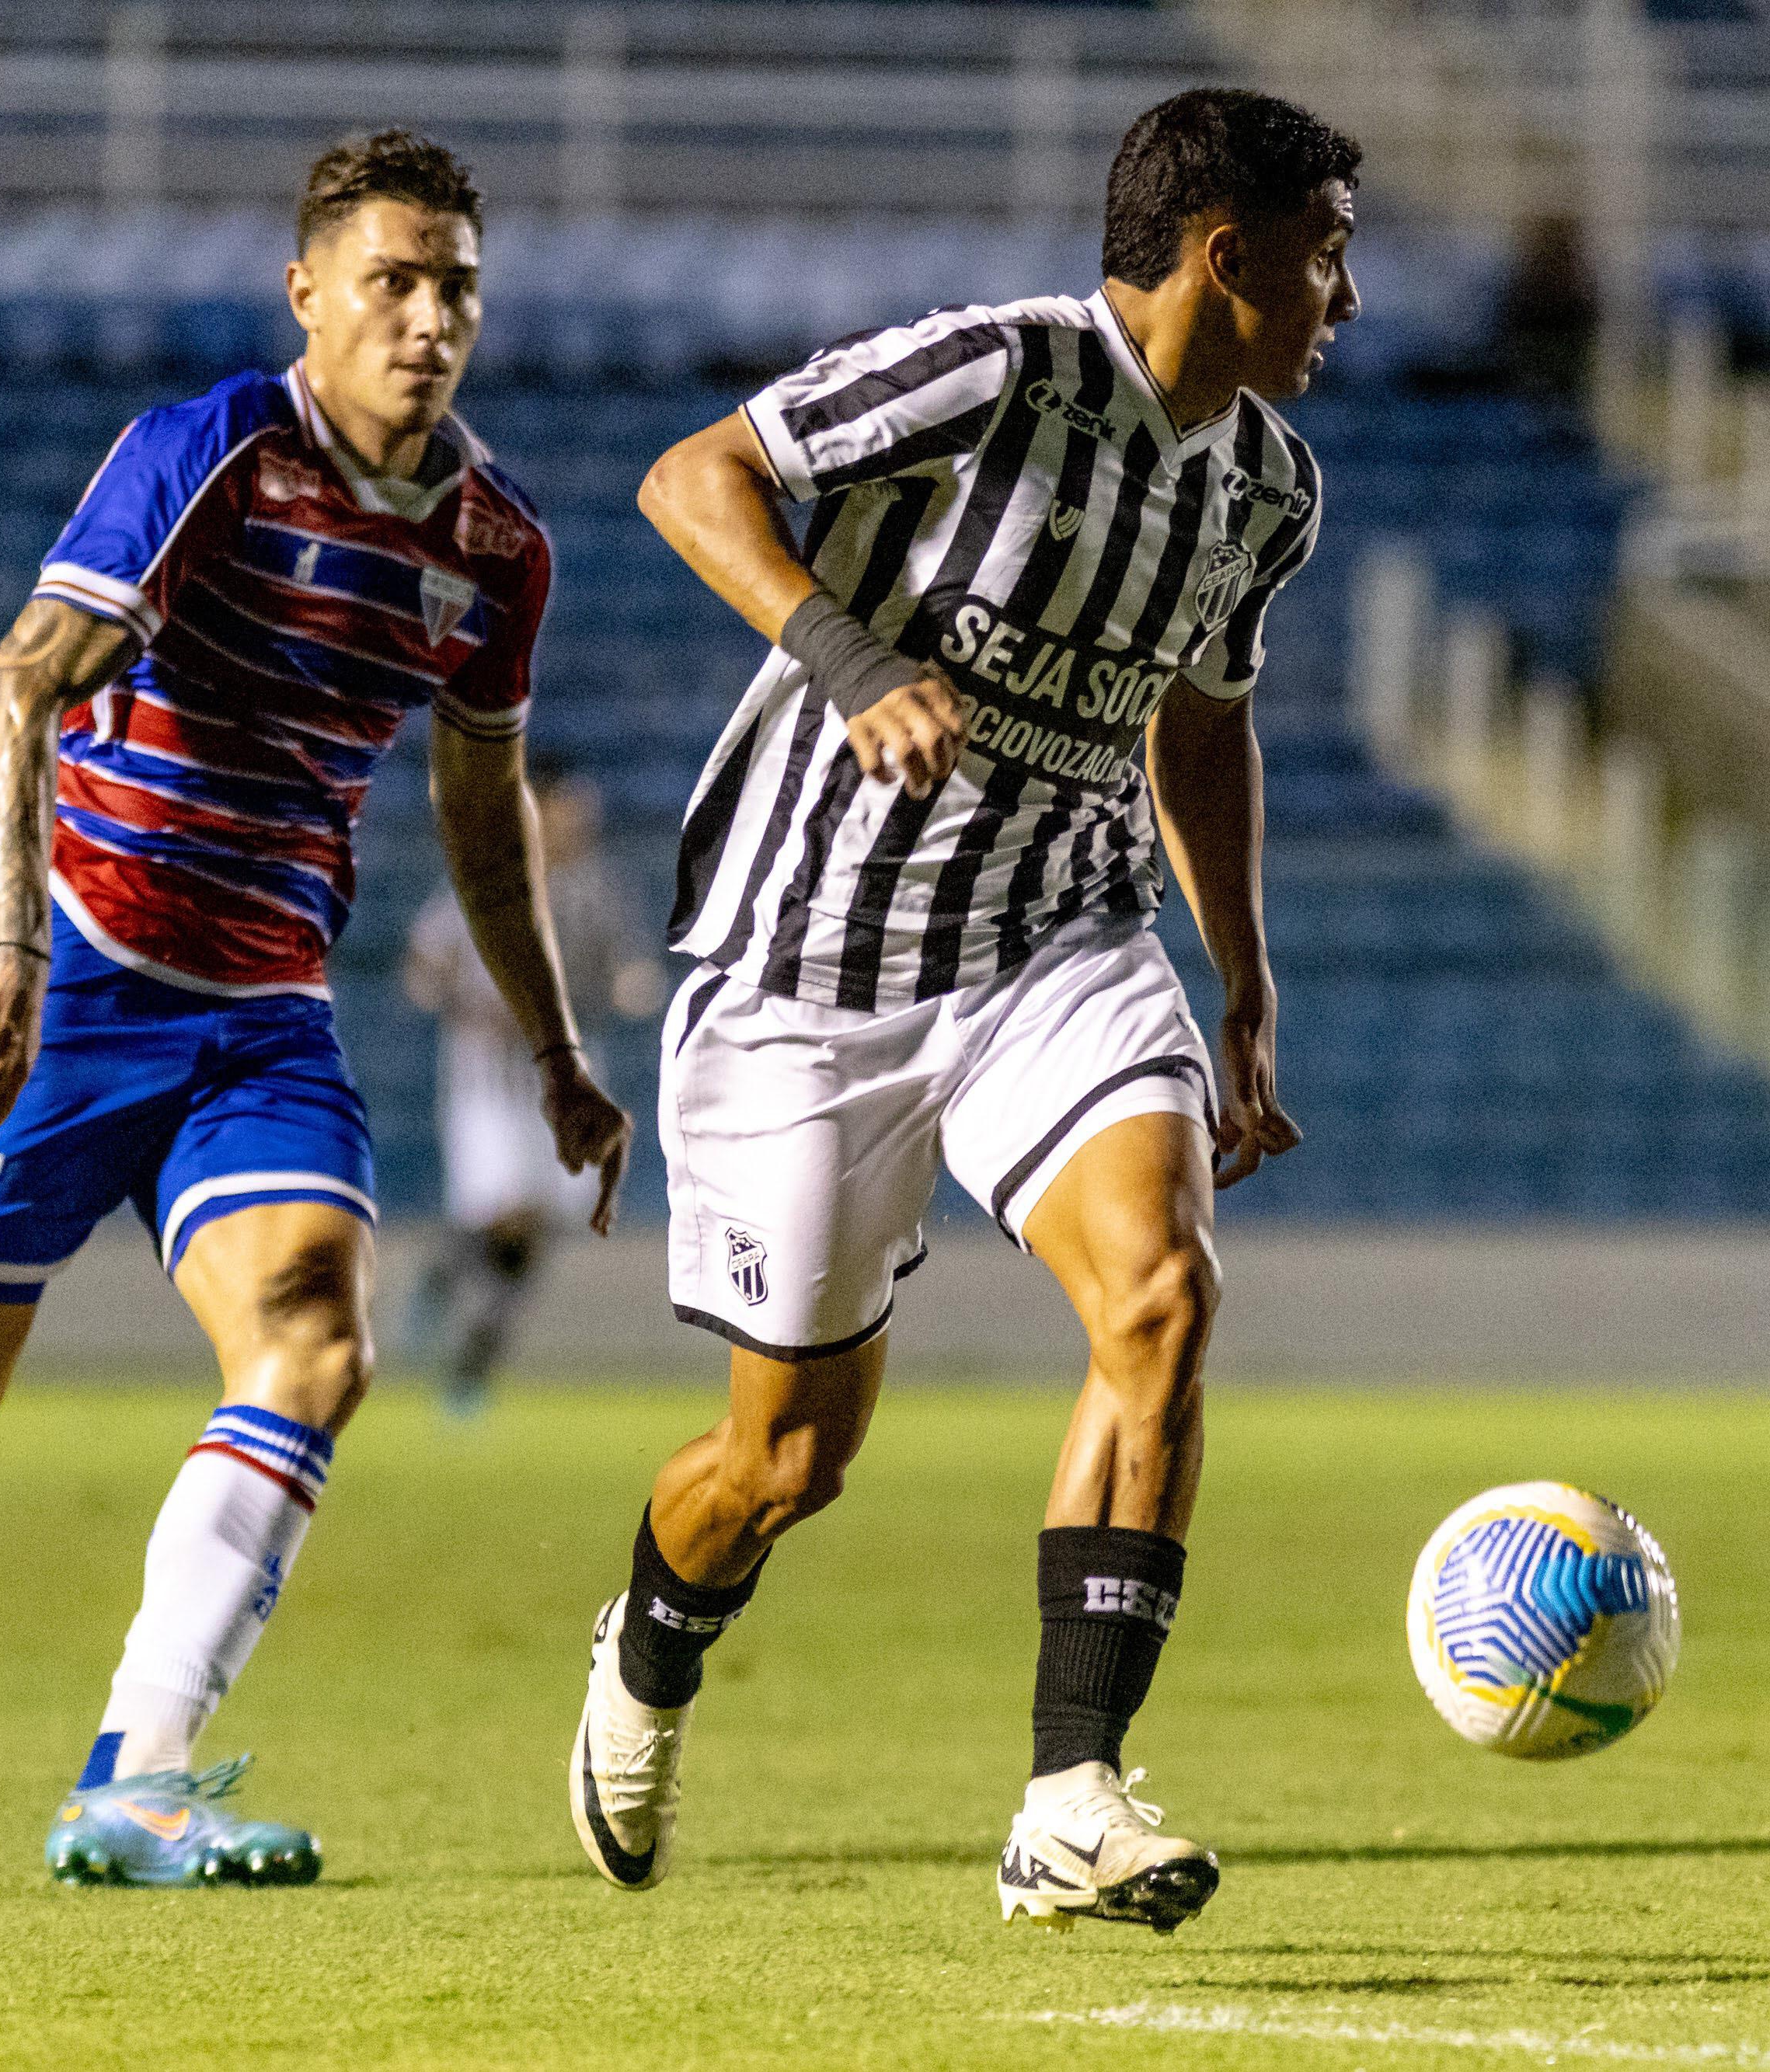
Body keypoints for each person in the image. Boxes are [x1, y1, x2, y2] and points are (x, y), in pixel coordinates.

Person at [0, 128, 631, 1887]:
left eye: (454, 283)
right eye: (389, 280)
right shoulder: (212, 453)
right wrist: (7, 951)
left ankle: (133, 1775)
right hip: (76, 969)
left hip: (264, 1009)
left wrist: (554, 1048)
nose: (426, 317)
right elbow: (11, 698)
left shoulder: (496, 548)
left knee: (317, 1337)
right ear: (308, 293)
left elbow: (478, 813)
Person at [563, 87, 1357, 1934]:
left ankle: (1070, 1798)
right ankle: (655, 1640)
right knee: (784, 1463)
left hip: (1057, 952)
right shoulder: (993, 370)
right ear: (1224, 256)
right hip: (805, 980)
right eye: (1323, 257)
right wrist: (849, 664)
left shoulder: (1266, 488)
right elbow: (695, 477)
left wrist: (1241, 979)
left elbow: (1198, 720)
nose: (1344, 298)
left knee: (1162, 1295)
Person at [400, 766, 665, 1413]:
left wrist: (635, 987)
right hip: (488, 1079)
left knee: (539, 1224)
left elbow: (631, 969)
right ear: (536, 810)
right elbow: (424, 965)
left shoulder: (600, 890)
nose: (579, 822)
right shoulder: (486, 879)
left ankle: (454, 1302)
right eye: (566, 808)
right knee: (510, 1213)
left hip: (571, 1077)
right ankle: (468, 1357)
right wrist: (457, 999)